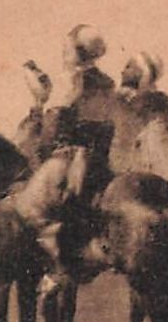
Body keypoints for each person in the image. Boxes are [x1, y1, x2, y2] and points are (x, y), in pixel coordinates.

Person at [15, 110, 114, 295]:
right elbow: (72, 193)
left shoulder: (54, 158)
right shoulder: (78, 157)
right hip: (39, 219)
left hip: (27, 211)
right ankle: (56, 277)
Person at [116, 51, 168, 175]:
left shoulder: (154, 104)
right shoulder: (119, 99)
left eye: (129, 67)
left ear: (141, 73)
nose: (122, 71)